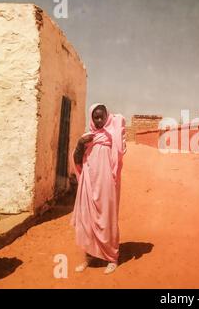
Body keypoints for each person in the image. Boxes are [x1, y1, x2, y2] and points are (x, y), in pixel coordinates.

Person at [71, 103, 126, 274]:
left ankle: (112, 258)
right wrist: (80, 144)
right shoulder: (87, 137)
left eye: (102, 116)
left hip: (107, 184)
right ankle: (89, 256)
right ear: (92, 118)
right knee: (87, 220)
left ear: (107, 116)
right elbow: (77, 160)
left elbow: (121, 151)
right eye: (96, 117)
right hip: (89, 183)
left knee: (107, 219)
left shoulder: (113, 136)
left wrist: (116, 132)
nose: (99, 120)